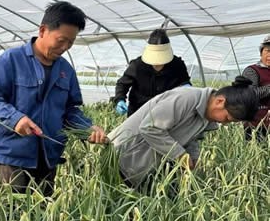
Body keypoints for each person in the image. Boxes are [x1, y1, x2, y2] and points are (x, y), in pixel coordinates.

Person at [0, 1, 108, 196]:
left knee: (43, 213)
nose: (65, 47)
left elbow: (70, 110)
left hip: (49, 155)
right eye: (61, 40)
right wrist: (16, 120)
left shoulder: (66, 71)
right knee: (12, 213)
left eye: (70, 43)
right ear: (43, 30)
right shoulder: (12, 60)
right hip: (13, 154)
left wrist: (87, 128)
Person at [108, 76, 258, 191]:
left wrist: (192, 159)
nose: (224, 123)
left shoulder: (206, 116)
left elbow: (191, 139)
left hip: (143, 166)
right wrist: (179, 155)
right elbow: (149, 128)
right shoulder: (185, 98)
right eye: (227, 118)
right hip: (121, 157)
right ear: (219, 101)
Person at [113, 29, 191, 116]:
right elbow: (122, 84)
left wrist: (186, 87)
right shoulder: (137, 66)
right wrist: (120, 99)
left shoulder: (177, 65)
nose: (157, 64)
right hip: (138, 112)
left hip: (167, 113)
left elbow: (184, 81)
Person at [241, 34, 270, 141]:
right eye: (267, 51)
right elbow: (249, 94)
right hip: (256, 126)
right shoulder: (252, 71)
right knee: (258, 155)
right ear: (261, 52)